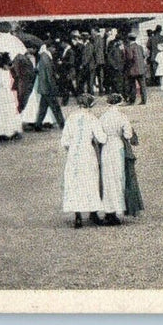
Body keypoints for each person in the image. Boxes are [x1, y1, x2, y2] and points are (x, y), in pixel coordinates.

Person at [61, 94, 107, 228]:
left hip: (74, 153)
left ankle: (78, 216)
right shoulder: (92, 118)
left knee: (75, 182)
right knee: (90, 180)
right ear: (91, 105)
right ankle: (93, 212)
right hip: (87, 152)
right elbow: (101, 138)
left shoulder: (71, 118)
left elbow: (64, 140)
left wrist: (72, 146)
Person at [98, 93, 138, 226]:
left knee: (107, 177)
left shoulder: (102, 117)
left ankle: (108, 210)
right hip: (118, 147)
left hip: (106, 148)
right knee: (118, 178)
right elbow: (128, 134)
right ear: (119, 103)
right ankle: (117, 208)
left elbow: (100, 136)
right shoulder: (122, 117)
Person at [33, 41, 65, 130]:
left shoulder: (43, 56)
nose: (54, 50)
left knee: (43, 108)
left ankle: (38, 125)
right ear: (49, 47)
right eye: (54, 48)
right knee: (56, 107)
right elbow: (48, 75)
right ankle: (62, 124)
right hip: (48, 87)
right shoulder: (46, 57)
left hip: (44, 87)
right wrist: (53, 87)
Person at [0, 53, 23, 140]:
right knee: (8, 112)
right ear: (4, 65)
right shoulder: (6, 73)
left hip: (2, 94)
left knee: (4, 112)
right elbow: (9, 84)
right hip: (7, 93)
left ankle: (5, 131)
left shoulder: (0, 73)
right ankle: (8, 131)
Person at [123, 34, 148, 105]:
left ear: (128, 39)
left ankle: (132, 100)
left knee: (132, 85)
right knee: (142, 85)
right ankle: (144, 100)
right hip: (141, 68)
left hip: (133, 69)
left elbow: (130, 58)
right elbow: (143, 56)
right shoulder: (140, 47)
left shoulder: (129, 48)